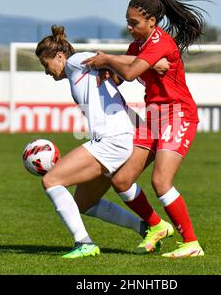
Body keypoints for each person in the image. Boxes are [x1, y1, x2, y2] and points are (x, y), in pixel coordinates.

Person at [83, 0, 206, 258]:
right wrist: (107, 69)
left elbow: (128, 73)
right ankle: (156, 226)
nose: (129, 27)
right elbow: (119, 74)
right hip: (154, 117)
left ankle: (192, 244)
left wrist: (108, 60)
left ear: (152, 21)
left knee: (161, 181)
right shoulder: (136, 47)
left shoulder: (160, 42)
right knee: (122, 180)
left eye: (134, 22)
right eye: (127, 21)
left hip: (177, 113)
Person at [35, 25, 152, 259]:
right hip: (115, 139)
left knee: (51, 180)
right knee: (84, 203)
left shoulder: (74, 61)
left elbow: (105, 59)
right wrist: (113, 71)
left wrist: (130, 62)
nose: (47, 72)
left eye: (45, 65)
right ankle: (146, 229)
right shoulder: (76, 73)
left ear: (59, 56)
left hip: (111, 141)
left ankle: (84, 243)